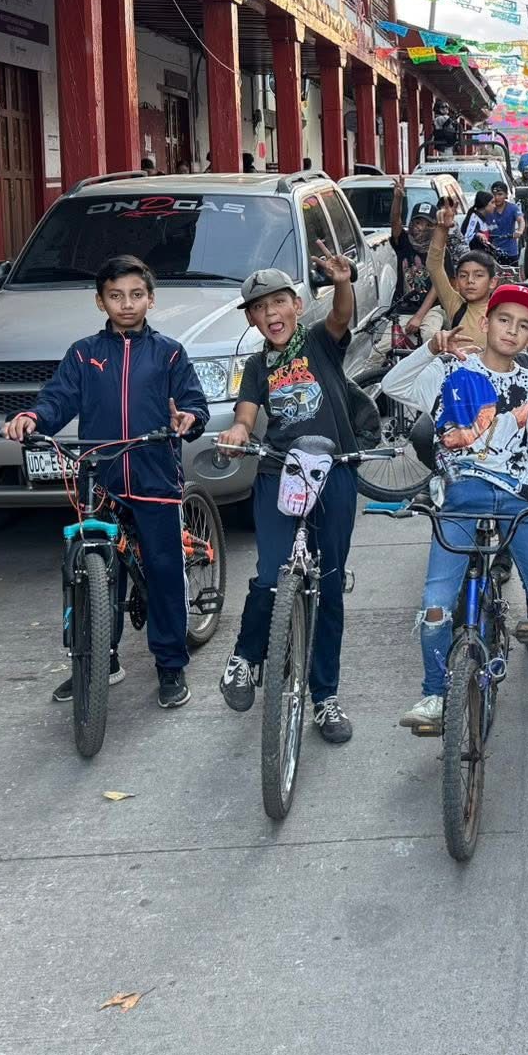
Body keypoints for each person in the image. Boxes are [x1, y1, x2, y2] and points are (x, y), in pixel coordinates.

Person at [5, 256, 209, 710]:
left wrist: (189, 418)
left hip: (155, 476)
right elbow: (57, 399)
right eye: (116, 296)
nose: (127, 304)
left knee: (164, 570)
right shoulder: (83, 354)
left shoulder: (170, 352)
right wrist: (32, 417)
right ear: (100, 302)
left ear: (151, 299)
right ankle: (98, 660)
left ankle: (170, 664)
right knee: (90, 569)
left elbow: (194, 404)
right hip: (100, 478)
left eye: (136, 295)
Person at [399, 286, 528, 748]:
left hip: (520, 500)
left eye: (524, 326)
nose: (512, 331)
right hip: (460, 499)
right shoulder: (451, 369)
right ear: (486, 322)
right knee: (436, 605)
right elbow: (394, 387)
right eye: (505, 320)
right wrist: (430, 348)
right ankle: (434, 692)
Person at [212, 262, 367, 740]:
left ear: (297, 305)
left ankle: (326, 698)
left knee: (330, 585)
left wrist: (342, 283)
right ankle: (244, 658)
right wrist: (238, 432)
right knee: (271, 575)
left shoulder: (319, 341)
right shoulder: (257, 367)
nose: (271, 313)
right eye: (260, 308)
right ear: (251, 319)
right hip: (279, 472)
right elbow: (245, 415)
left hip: (333, 473)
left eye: (279, 301)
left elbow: (341, 316)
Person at [423, 218, 496, 352]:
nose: (470, 281)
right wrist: (442, 228)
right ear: (456, 282)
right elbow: (434, 265)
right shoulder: (455, 306)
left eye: (478, 275)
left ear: (492, 282)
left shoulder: (500, 311)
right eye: (463, 275)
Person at [387, 183, 444, 334]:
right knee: (385, 345)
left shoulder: (439, 250)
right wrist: (398, 198)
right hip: (403, 309)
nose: (421, 228)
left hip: (432, 309)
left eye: (427, 224)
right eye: (418, 222)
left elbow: (437, 287)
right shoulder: (404, 242)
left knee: (430, 336)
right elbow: (395, 222)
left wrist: (419, 317)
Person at [483, 181, 523, 267]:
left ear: (506, 195)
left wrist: (519, 231)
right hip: (491, 251)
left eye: (500, 194)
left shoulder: (513, 208)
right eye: (494, 194)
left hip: (510, 252)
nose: (497, 197)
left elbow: (520, 220)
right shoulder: (487, 209)